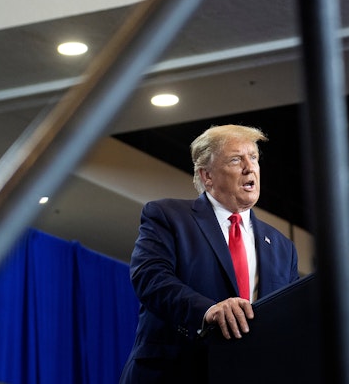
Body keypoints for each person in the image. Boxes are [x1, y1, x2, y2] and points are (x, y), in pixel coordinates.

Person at [118, 124, 300, 384]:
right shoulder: (168, 216)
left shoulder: (283, 247)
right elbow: (150, 277)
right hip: (174, 373)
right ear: (207, 176)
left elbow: (288, 317)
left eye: (254, 158)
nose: (250, 168)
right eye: (236, 159)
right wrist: (207, 311)